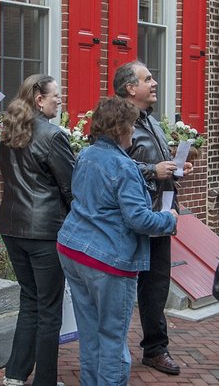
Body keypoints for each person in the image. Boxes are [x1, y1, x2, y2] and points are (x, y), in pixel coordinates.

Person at [57, 97, 178, 385]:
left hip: (74, 249)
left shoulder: (85, 155)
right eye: (132, 126)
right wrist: (170, 218)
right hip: (108, 260)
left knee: (90, 336)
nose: (134, 132)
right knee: (112, 338)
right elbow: (140, 220)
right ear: (123, 129)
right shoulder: (123, 168)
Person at [112, 61, 192, 375]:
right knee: (125, 286)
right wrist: (152, 170)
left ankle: (155, 349)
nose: (155, 82)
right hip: (133, 217)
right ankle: (113, 353)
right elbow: (111, 163)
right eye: (147, 78)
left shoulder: (151, 121)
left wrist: (174, 168)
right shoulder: (119, 121)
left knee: (156, 286)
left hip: (159, 214)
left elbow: (153, 161)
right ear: (131, 88)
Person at [0, 74, 76, 386]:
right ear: (39, 99)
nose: (60, 99)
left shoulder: (8, 133)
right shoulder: (53, 136)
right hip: (45, 232)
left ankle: (15, 374)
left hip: (12, 227)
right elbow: (71, 189)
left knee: (30, 300)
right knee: (49, 308)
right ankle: (45, 380)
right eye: (55, 95)